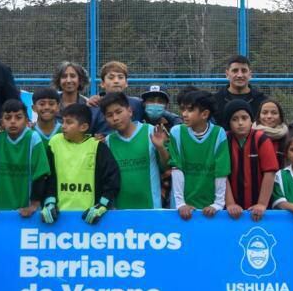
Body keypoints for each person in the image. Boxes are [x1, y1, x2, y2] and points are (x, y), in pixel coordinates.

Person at [40, 103, 121, 225]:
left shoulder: (97, 146)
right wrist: (49, 202)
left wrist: (102, 205)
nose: (63, 126)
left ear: (83, 127)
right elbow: (47, 176)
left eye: (69, 122)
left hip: (90, 218)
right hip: (59, 218)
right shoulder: (55, 142)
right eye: (63, 122)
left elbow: (112, 179)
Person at [0, 99, 51, 219]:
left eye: (18, 117)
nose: (13, 121)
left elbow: (40, 175)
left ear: (27, 121)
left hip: (26, 209)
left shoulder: (33, 138)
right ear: (1, 122)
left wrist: (34, 205)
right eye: (8, 118)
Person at [168, 90, 230, 220]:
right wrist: (181, 204)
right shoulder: (176, 132)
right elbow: (176, 168)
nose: (184, 114)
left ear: (205, 114)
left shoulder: (219, 133)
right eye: (183, 109)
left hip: (210, 207)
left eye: (190, 110)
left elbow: (221, 170)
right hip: (182, 208)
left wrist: (218, 204)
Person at [101, 92, 169, 209]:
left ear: (130, 111)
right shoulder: (108, 142)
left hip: (151, 209)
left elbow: (166, 167)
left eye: (119, 112)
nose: (115, 118)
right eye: (109, 115)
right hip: (120, 212)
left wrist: (160, 148)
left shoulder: (152, 132)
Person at [223, 100, 279, 222]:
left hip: (260, 208)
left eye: (244, 118)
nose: (240, 123)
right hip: (231, 209)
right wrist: (230, 203)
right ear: (229, 122)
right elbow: (222, 174)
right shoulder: (224, 140)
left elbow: (270, 172)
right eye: (235, 119)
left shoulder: (262, 139)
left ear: (251, 120)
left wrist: (262, 204)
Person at [87, 61, 146, 135]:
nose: (116, 81)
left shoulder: (138, 104)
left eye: (120, 77)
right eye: (111, 78)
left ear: (126, 83)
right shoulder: (94, 106)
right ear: (102, 83)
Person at [213, 55, 267, 125]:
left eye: (244, 71)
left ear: (250, 74)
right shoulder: (215, 101)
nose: (240, 75)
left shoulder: (262, 101)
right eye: (235, 71)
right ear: (227, 74)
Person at [254, 99, 287, 166]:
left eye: (274, 113)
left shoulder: (289, 138)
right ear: (259, 117)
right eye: (264, 113)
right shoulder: (250, 136)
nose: (269, 116)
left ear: (280, 117)